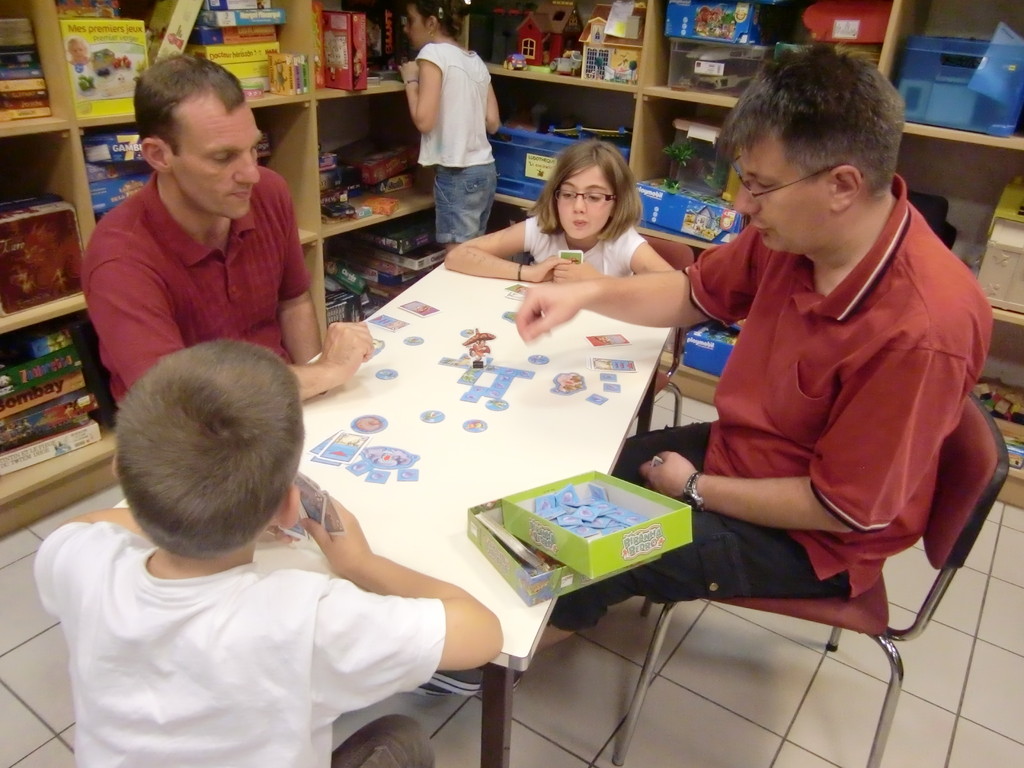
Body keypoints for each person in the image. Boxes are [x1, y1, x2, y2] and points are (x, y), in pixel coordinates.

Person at [514, 45, 994, 640]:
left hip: (810, 543)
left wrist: (692, 489)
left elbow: (841, 507)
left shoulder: (923, 328)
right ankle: (559, 608)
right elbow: (692, 294)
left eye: (760, 187)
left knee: (584, 545)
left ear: (842, 185)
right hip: (748, 457)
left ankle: (508, 656)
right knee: (574, 477)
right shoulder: (794, 232)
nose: (741, 205)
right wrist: (585, 295)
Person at [34, 339, 503, 767]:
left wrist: (196, 514)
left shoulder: (79, 559)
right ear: (287, 507)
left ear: (120, 470)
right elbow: (482, 634)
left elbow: (86, 526)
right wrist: (360, 562)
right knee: (403, 740)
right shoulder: (305, 617)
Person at [82, 55, 373, 403]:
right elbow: (177, 398)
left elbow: (293, 301)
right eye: (223, 158)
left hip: (279, 407)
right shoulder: (119, 258)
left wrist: (318, 389)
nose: (250, 173)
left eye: (253, 148)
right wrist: (323, 372)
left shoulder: (268, 191)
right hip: (192, 433)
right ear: (159, 155)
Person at [445, 139, 674, 282]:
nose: (578, 208)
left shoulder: (624, 243)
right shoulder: (540, 228)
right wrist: (529, 273)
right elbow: (458, 255)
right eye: (567, 194)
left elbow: (674, 288)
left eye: (594, 197)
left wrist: (599, 283)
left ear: (616, 202)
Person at [399, 0, 501, 250]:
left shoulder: (432, 55)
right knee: (474, 254)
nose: (405, 28)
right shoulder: (474, 59)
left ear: (432, 23)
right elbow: (493, 123)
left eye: (410, 21)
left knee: (457, 259)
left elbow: (424, 120)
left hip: (457, 173)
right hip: (485, 170)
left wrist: (411, 81)